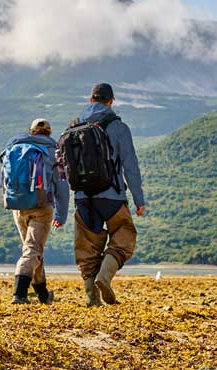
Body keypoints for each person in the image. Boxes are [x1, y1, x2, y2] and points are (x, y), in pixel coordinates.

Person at [68, 83, 146, 306]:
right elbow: (130, 166)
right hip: (111, 195)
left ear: (90, 99)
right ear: (111, 101)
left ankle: (92, 297)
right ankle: (105, 277)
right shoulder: (118, 126)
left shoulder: (74, 127)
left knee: (87, 248)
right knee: (124, 236)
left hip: (83, 197)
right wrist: (139, 201)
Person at [2, 118, 69, 305]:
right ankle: (19, 294)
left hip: (18, 206)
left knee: (32, 250)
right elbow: (62, 185)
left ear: (31, 131)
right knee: (32, 250)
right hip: (42, 207)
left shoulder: (15, 147)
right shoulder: (54, 151)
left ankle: (42, 294)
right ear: (48, 132)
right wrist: (61, 214)